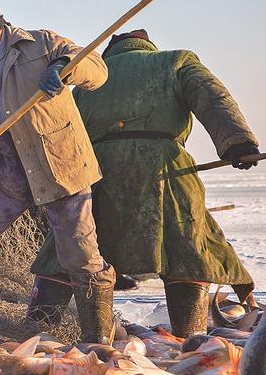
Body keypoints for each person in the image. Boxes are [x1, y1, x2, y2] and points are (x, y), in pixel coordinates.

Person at [30, 29, 260, 337]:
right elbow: (213, 96)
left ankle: (40, 326)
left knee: (70, 246)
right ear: (147, 47)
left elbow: (64, 130)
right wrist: (238, 143)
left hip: (97, 171)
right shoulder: (177, 62)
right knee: (186, 248)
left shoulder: (89, 79)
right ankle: (188, 335)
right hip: (166, 169)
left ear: (112, 51)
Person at [0, 0, 117, 343]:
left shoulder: (42, 45)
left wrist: (65, 69)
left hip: (60, 166)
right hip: (6, 172)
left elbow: (98, 70)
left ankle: (97, 337)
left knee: (80, 254)